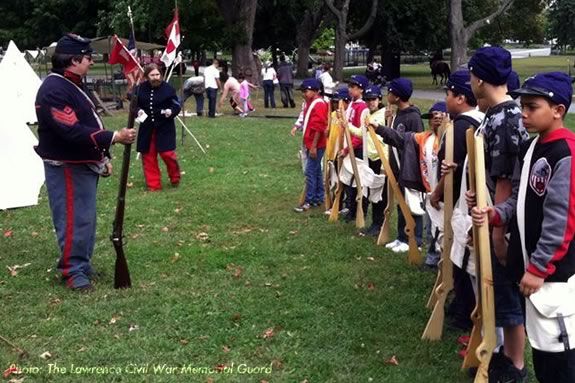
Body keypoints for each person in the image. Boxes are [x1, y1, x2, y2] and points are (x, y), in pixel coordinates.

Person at [471, 72, 575, 383]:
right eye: (522, 105)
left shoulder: (566, 153)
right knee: (542, 348)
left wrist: (539, 267)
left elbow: (563, 219)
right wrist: (496, 214)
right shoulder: (531, 147)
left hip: (556, 276)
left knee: (561, 353)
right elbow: (519, 198)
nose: (524, 114)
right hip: (533, 268)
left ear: (557, 110)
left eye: (532, 106)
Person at [34, 33, 136, 291]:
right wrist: (114, 137)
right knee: (72, 218)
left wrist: (103, 157)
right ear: (73, 60)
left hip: (82, 161)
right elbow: (72, 131)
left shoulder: (73, 83)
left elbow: (89, 124)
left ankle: (82, 264)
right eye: (88, 57)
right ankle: (72, 271)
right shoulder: (53, 90)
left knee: (85, 219)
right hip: (67, 164)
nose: (92, 61)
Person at [467, 46, 530, 382]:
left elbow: (505, 180)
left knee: (506, 295)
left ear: (479, 78)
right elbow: (490, 173)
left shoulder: (505, 118)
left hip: (503, 224)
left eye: (472, 73)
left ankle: (515, 364)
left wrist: (496, 233)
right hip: (491, 213)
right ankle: (505, 356)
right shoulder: (494, 114)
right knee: (499, 293)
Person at [382, 78, 425, 253]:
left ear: (397, 96)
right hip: (397, 166)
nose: (388, 94)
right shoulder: (397, 113)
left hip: (409, 167)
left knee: (412, 203)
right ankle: (402, 236)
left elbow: (415, 142)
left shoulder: (413, 117)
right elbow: (392, 138)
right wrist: (387, 123)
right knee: (402, 202)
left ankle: (415, 239)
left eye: (390, 92)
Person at [135, 64, 182, 191]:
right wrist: (138, 111)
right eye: (152, 75)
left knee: (167, 154)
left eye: (157, 75)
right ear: (146, 76)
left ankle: (175, 177)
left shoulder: (168, 89)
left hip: (164, 127)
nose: (155, 77)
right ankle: (153, 185)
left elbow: (176, 105)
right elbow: (134, 103)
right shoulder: (140, 89)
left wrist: (171, 111)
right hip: (147, 128)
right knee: (148, 156)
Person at [290, 79, 328, 212]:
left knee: (310, 171)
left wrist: (314, 146)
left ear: (315, 91)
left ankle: (309, 200)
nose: (303, 94)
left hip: (316, 144)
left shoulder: (319, 104)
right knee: (316, 170)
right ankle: (318, 196)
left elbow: (319, 127)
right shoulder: (310, 103)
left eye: (306, 91)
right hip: (311, 142)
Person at [339, 74, 370, 223]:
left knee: (358, 182)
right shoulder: (352, 103)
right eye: (350, 87)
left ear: (361, 89)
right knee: (349, 181)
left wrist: (348, 148)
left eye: (354, 87)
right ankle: (350, 209)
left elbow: (360, 132)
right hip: (348, 145)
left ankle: (359, 210)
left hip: (356, 148)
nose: (350, 90)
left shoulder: (362, 107)